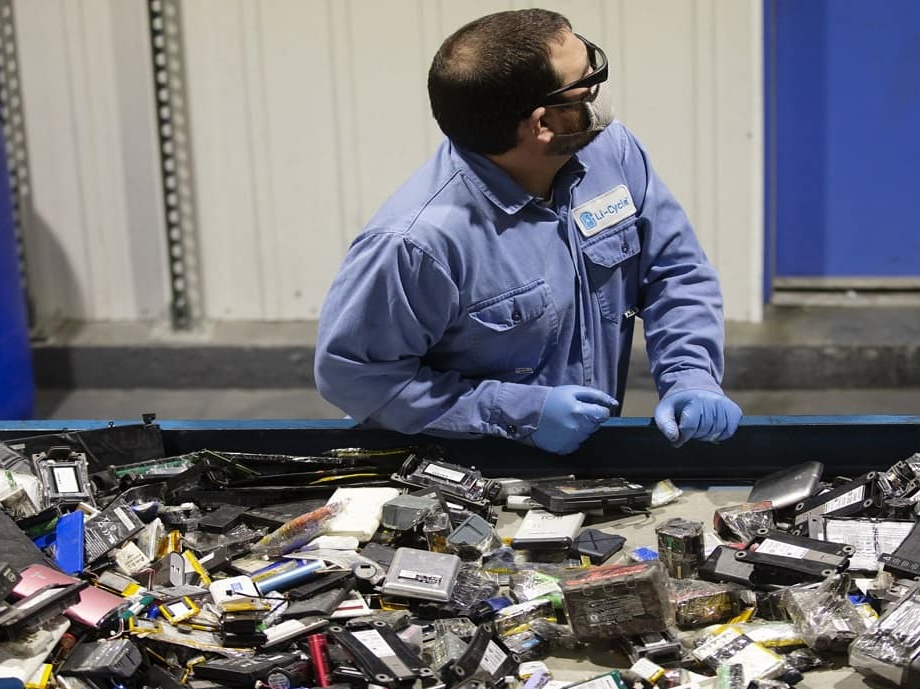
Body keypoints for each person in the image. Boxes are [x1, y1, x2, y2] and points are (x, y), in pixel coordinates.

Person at [314, 8, 741, 454]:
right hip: (473, 469)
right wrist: (517, 411)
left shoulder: (611, 152)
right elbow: (356, 378)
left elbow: (674, 271)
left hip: (589, 461)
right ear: (543, 124)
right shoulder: (416, 244)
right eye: (586, 79)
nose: (599, 84)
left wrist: (691, 375)